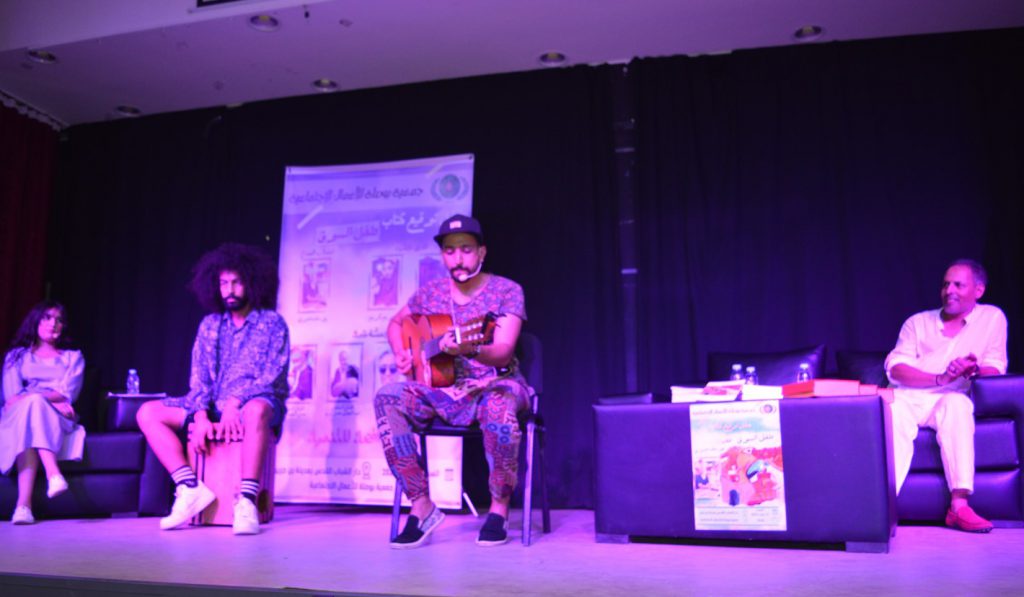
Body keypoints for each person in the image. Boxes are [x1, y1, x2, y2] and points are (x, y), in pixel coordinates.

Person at [374, 214, 532, 548]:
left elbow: (503, 352)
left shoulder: (507, 291)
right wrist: (402, 352)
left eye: (466, 250)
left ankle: (499, 508)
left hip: (495, 385)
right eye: (449, 251)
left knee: (499, 406)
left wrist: (469, 349)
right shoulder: (430, 293)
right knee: (387, 397)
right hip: (443, 391)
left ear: (482, 252)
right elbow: (395, 324)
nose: (458, 259)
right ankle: (421, 505)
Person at [136, 243, 289, 535]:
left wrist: (235, 403)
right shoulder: (210, 325)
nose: (229, 290)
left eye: (236, 282)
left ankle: (246, 501)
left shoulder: (272, 323)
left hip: (259, 403)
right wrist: (200, 415)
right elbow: (200, 378)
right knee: (148, 413)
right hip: (212, 405)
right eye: (223, 283)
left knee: (256, 409)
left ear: (252, 282)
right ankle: (189, 487)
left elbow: (273, 376)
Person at [885, 259, 1008, 533]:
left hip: (952, 395)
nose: (949, 290)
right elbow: (896, 369)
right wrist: (940, 378)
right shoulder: (917, 322)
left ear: (978, 290)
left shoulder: (992, 318)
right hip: (909, 396)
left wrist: (972, 370)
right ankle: (883, 506)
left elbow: (995, 366)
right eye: (945, 284)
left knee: (958, 405)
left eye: (958, 285)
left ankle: (959, 507)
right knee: (892, 410)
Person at [1, 301, 85, 525]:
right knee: (31, 410)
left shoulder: (73, 357)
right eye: (47, 317)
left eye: (59, 320)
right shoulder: (16, 357)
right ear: (36, 321)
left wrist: (35, 399)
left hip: (59, 417)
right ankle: (53, 474)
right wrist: (48, 401)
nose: (53, 324)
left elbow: (68, 393)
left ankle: (23, 506)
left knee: (32, 413)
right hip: (18, 416)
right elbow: (12, 399)